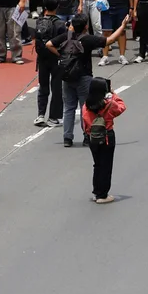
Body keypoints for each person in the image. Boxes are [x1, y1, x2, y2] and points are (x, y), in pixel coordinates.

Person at [46, 14, 129, 147]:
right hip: (84, 77)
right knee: (85, 107)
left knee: (68, 108)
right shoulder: (87, 39)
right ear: (86, 26)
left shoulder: (66, 36)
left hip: (66, 76)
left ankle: (67, 138)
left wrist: (61, 54)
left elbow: (49, 44)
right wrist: (123, 26)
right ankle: (87, 135)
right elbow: (109, 40)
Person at [81, 76, 126, 204]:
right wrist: (113, 94)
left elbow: (85, 121)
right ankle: (103, 194)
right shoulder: (109, 104)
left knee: (97, 164)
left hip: (92, 138)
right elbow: (121, 107)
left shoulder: (86, 105)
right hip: (107, 136)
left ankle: (96, 191)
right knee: (106, 166)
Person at [33, 0, 66, 127]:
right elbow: (63, 43)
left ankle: (40, 115)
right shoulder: (60, 24)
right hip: (56, 59)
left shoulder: (39, 21)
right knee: (57, 88)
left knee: (43, 87)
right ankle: (54, 117)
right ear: (57, 6)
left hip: (42, 59)